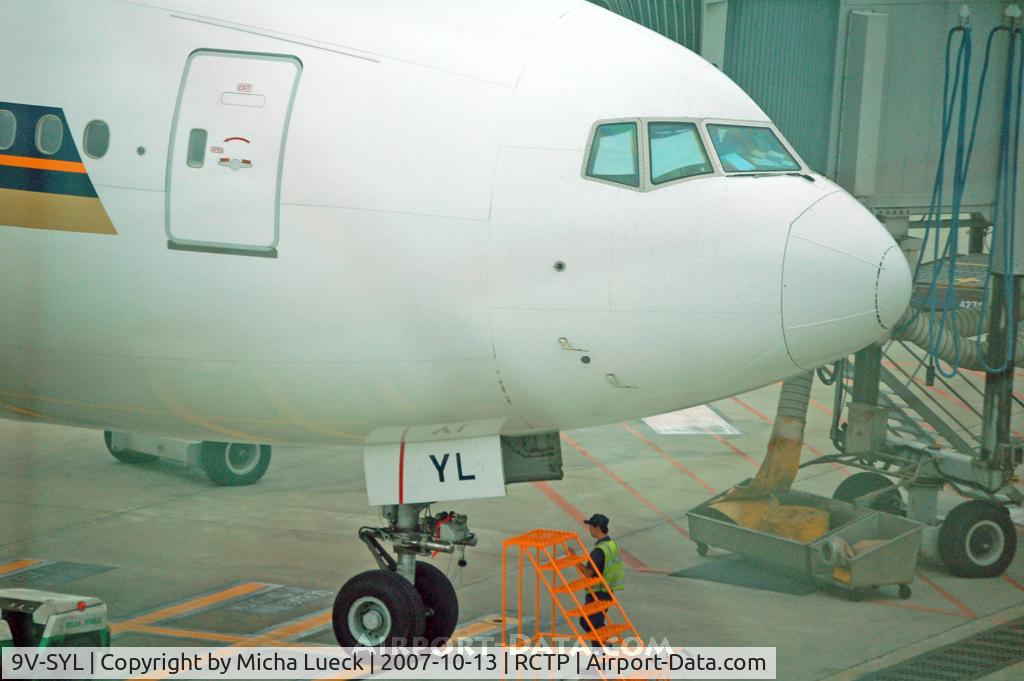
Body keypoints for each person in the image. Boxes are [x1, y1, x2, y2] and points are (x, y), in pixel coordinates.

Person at [578, 513, 624, 637]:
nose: (589, 529)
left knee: (590, 623)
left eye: (591, 527)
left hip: (597, 593)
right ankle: (603, 649)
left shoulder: (599, 550)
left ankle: (602, 651)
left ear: (597, 529)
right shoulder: (611, 544)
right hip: (608, 590)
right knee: (596, 624)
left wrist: (575, 560)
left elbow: (588, 573)